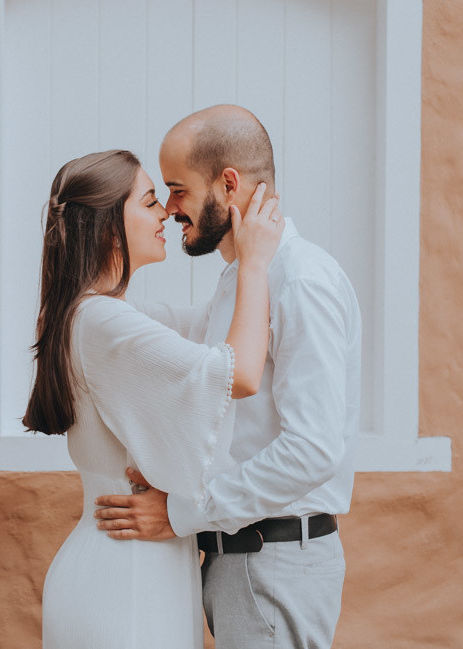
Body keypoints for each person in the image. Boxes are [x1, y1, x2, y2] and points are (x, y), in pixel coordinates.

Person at [93, 105, 363, 649]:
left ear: (229, 184)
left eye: (177, 190)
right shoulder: (243, 280)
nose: (169, 210)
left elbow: (312, 449)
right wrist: (87, 302)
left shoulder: (301, 282)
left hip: (271, 562)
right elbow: (183, 333)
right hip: (243, 562)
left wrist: (182, 512)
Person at [24, 148, 284, 649]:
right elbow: (240, 373)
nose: (165, 211)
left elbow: (214, 323)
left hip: (133, 568)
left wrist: (234, 244)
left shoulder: (98, 314)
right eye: (148, 202)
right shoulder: (104, 322)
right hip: (126, 583)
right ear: (107, 229)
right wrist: (254, 264)